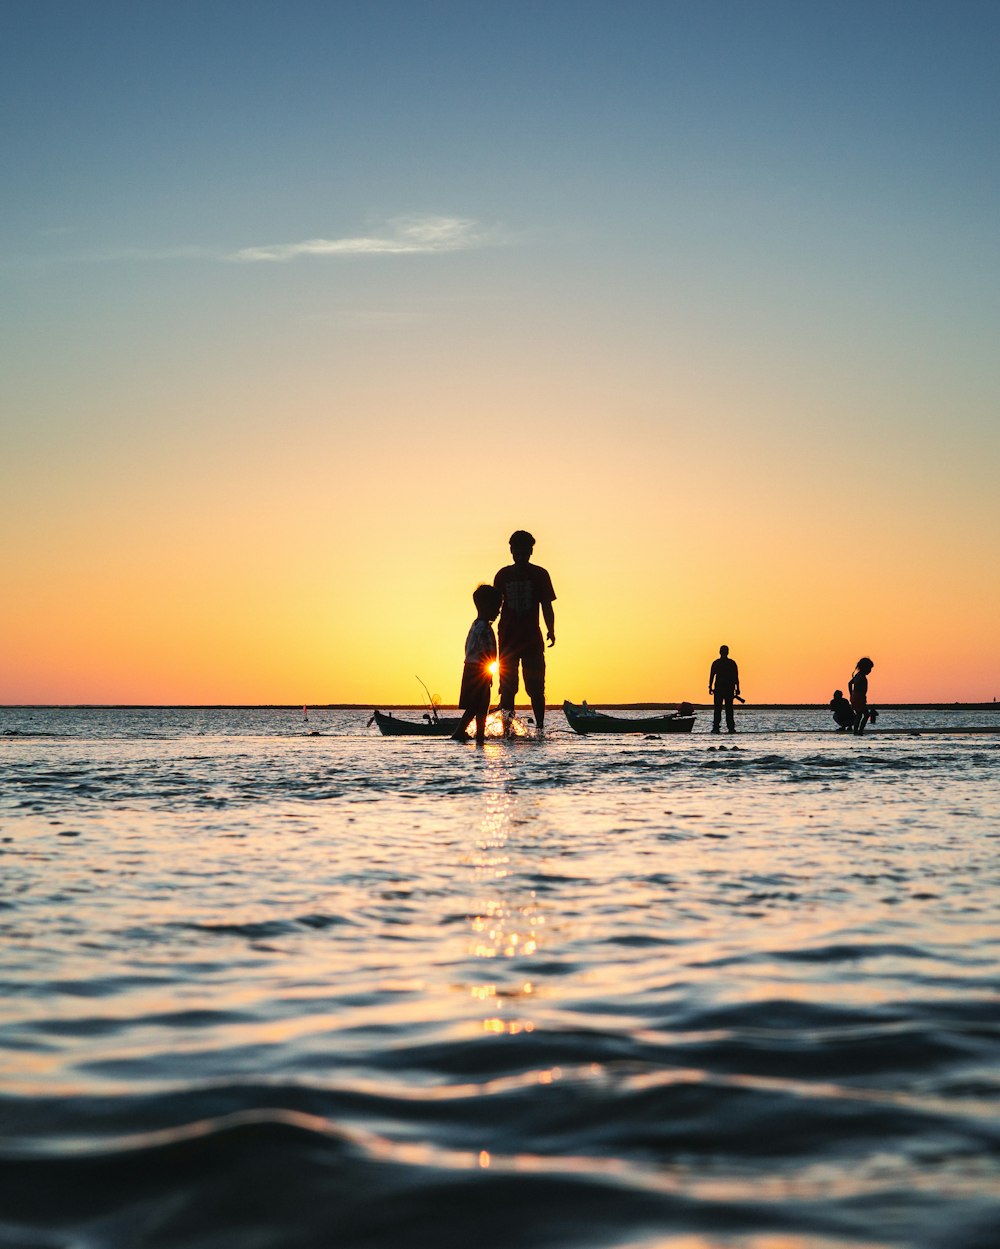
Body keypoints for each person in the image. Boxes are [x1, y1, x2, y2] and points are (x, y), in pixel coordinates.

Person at [493, 531, 556, 733]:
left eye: (524, 549)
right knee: (508, 688)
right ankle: (507, 730)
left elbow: (546, 605)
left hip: (532, 640)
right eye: (516, 549)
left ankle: (539, 727)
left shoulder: (540, 574)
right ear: (511, 550)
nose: (520, 553)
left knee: (536, 688)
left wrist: (551, 630)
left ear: (530, 551)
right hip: (508, 641)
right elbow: (494, 606)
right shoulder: (502, 575)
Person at [452, 584, 503, 742]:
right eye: (496, 607)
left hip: (471, 668)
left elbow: (467, 648)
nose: (498, 612)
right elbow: (488, 653)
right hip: (479, 670)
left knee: (476, 705)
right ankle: (470, 733)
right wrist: (489, 674)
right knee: (480, 705)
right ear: (488, 606)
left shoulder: (475, 626)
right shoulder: (485, 628)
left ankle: (471, 733)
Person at [708, 644, 740, 734]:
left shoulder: (717, 663)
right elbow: (736, 677)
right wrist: (737, 688)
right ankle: (730, 728)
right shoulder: (731, 663)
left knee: (718, 709)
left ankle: (717, 728)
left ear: (720, 652)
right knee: (728, 709)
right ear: (727, 652)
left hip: (721, 689)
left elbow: (712, 676)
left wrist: (710, 687)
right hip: (726, 689)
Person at [848, 657, 875, 734]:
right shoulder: (861, 676)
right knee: (866, 715)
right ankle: (860, 731)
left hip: (856, 696)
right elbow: (853, 685)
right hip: (858, 697)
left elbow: (850, 683)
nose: (870, 671)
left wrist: (851, 694)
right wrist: (855, 694)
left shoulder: (858, 675)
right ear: (865, 668)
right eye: (869, 668)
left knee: (859, 714)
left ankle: (856, 731)